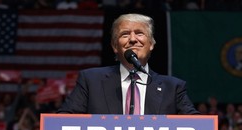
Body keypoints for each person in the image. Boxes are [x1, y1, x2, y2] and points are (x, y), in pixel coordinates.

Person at [58, 13, 199, 115]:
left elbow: (197, 126)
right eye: (125, 34)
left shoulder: (173, 88)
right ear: (114, 46)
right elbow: (63, 122)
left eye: (139, 33)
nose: (132, 39)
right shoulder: (90, 80)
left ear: (151, 44)